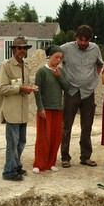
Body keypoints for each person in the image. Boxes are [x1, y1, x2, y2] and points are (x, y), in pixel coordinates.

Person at [60, 25, 104, 168]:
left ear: (90, 39)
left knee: (87, 126)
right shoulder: (65, 48)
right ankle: (65, 157)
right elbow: (54, 58)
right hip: (71, 91)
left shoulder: (95, 49)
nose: (83, 43)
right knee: (66, 126)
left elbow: (99, 64)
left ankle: (85, 156)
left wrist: (94, 78)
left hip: (88, 92)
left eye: (86, 40)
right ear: (76, 38)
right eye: (81, 39)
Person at [0, 36, 38, 181]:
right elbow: (2, 88)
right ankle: (8, 171)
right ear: (14, 49)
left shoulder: (25, 66)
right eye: (20, 48)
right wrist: (21, 88)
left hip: (22, 110)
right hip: (12, 111)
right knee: (12, 143)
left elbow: (25, 84)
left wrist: (29, 88)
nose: (22, 51)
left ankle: (16, 166)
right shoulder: (6, 66)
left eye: (25, 48)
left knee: (21, 142)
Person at [32, 45, 70, 173]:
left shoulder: (61, 72)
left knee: (55, 137)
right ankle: (39, 164)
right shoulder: (41, 71)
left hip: (57, 108)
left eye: (60, 58)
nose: (58, 60)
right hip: (45, 109)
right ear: (50, 56)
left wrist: (59, 76)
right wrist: (40, 108)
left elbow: (67, 88)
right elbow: (37, 91)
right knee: (43, 137)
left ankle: (51, 162)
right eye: (56, 57)